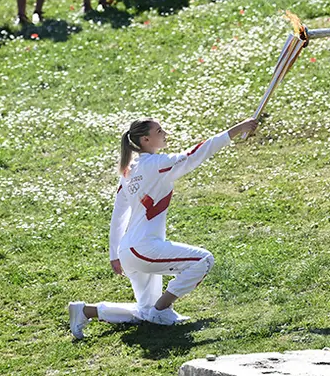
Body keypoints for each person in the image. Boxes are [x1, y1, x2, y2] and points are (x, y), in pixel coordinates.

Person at [68, 116, 259, 338]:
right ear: (146, 139)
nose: (165, 133)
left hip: (128, 251)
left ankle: (85, 310)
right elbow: (195, 154)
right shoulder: (156, 165)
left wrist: (114, 254)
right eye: (160, 131)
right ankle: (163, 307)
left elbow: (119, 214)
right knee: (204, 260)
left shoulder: (129, 172)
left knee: (144, 312)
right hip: (144, 249)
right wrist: (236, 130)